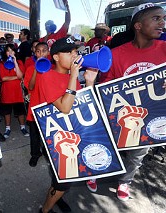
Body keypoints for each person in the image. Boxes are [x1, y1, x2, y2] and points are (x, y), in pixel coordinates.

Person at [88, 3, 166, 201]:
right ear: (138, 26)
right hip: (120, 116)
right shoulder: (116, 54)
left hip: (151, 118)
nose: (162, 23)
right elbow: (106, 86)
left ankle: (125, 182)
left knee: (137, 155)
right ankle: (96, 172)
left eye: (163, 18)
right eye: (156, 18)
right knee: (108, 145)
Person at [38, 37, 98, 213]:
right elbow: (65, 107)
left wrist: (89, 82)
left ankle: (57, 196)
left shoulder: (73, 78)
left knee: (62, 179)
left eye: (76, 52)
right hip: (55, 139)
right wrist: (74, 76)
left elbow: (83, 106)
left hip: (73, 134)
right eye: (69, 52)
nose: (75, 56)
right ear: (56, 57)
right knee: (63, 181)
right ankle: (44, 210)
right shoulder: (47, 76)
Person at [24, 42, 51, 167]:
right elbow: (30, 86)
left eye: (44, 51)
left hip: (49, 105)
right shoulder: (30, 69)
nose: (41, 54)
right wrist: (36, 68)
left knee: (49, 132)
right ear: (35, 53)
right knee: (34, 134)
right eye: (38, 51)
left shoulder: (53, 68)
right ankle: (35, 154)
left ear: (48, 52)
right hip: (35, 106)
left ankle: (48, 153)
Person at [0, 43, 29, 139]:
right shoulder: (2, 63)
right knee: (7, 111)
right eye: (8, 51)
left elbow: (21, 75)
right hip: (6, 92)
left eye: (12, 51)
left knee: (20, 111)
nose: (11, 53)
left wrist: (15, 62)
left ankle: (23, 127)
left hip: (18, 92)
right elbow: (3, 78)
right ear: (5, 52)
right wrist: (16, 77)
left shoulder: (19, 62)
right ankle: (7, 128)